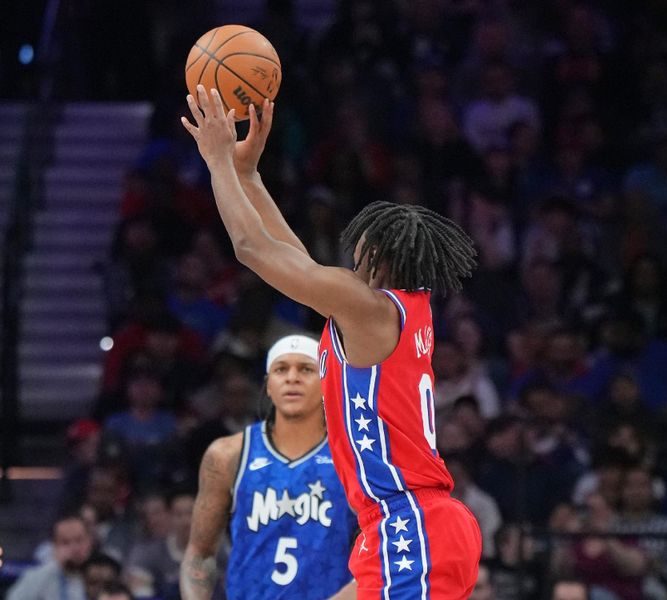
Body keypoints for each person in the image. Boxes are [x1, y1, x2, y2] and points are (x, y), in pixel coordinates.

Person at [181, 86, 481, 598]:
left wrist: (217, 162)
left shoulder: (370, 306)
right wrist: (249, 175)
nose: (349, 247)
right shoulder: (386, 310)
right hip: (396, 526)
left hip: (409, 523)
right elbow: (296, 259)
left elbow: (253, 248)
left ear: (378, 256)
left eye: (359, 241)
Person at [180, 335, 357, 599]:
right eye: (281, 369)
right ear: (268, 386)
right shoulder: (228, 455)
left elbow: (380, 556)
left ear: (326, 383)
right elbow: (199, 554)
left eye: (306, 369)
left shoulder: (353, 457)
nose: (292, 378)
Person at [7, 513, 94, 600]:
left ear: (89, 541)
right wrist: (57, 565)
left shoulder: (103, 571)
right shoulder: (39, 577)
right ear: (54, 546)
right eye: (65, 542)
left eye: (79, 540)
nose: (74, 548)